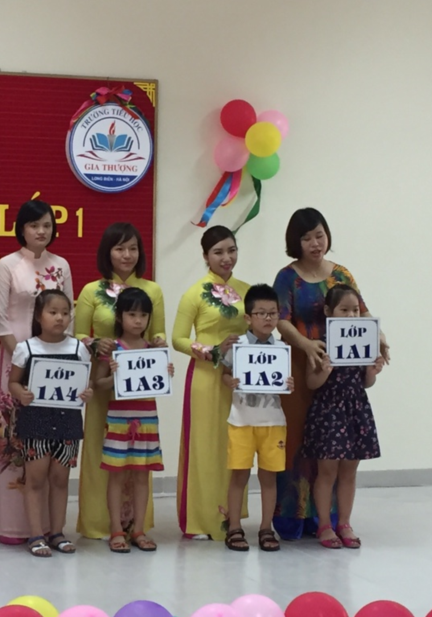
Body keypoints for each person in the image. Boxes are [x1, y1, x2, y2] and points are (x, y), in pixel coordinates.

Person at [271, 208, 389, 540]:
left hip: (342, 374)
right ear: (295, 242)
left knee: (337, 449)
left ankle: (330, 519)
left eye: (319, 235)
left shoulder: (342, 274)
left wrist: (380, 338)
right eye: (307, 238)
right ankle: (294, 516)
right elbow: (281, 319)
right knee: (298, 442)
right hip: (302, 367)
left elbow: (363, 313)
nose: (315, 243)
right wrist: (306, 345)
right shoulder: (287, 277)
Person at [0, 200, 73, 545]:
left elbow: (69, 318)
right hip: (17, 360)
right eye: (34, 225)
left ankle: (49, 527)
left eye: (47, 225)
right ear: (21, 229)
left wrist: (56, 360)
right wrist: (26, 360)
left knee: (49, 442)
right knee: (15, 438)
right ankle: (13, 525)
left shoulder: (61, 265)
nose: (41, 231)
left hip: (55, 365)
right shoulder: (7, 265)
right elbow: (1, 322)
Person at [74, 223, 166, 542]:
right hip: (106, 382)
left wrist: (158, 346)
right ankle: (102, 524)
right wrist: (94, 343)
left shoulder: (152, 290)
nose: (127, 255)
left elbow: (159, 332)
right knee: (102, 455)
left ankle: (136, 527)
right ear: (107, 252)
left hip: (140, 390)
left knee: (140, 463)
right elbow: (78, 334)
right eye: (119, 248)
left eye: (133, 248)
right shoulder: (91, 290)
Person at [172, 225, 250, 541]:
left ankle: (232, 518)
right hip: (206, 378)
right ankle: (200, 520)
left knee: (236, 446)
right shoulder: (195, 293)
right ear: (205, 256)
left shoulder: (247, 291)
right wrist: (212, 351)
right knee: (204, 446)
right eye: (218, 252)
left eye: (231, 250)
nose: (226, 257)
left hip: (240, 380)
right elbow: (178, 338)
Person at [7, 289, 92, 557]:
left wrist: (87, 393)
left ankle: (57, 532)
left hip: (68, 423)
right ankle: (36, 534)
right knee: (35, 480)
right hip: (36, 422)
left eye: (65, 313)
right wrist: (20, 393)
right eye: (53, 312)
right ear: (38, 316)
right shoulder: (26, 348)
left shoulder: (78, 349)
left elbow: (85, 382)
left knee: (60, 479)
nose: (59, 318)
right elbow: (13, 382)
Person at [92, 287, 173, 553]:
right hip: (118, 420)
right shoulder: (112, 348)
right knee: (115, 476)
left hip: (147, 419)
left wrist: (166, 371)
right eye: (132, 314)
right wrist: (113, 376)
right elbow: (98, 384)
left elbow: (159, 383)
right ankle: (116, 529)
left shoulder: (153, 349)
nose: (138, 321)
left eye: (143, 315)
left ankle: (138, 529)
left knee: (142, 476)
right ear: (120, 317)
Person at [304, 284, 384, 548]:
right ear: (329, 312)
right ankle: (325, 525)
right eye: (344, 310)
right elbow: (311, 382)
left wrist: (372, 372)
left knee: (350, 470)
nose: (351, 316)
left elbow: (366, 383)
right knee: (327, 471)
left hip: (355, 409)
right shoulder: (320, 344)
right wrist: (324, 371)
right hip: (328, 411)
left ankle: (345, 523)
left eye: (355, 311)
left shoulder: (364, 341)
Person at [220, 284, 292, 553]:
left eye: (273, 313)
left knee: (269, 478)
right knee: (239, 475)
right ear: (248, 318)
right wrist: (229, 381)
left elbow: (284, 383)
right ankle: (234, 527)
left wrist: (289, 384)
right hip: (241, 421)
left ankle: (265, 527)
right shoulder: (237, 345)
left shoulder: (281, 347)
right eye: (261, 313)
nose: (268, 318)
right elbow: (224, 374)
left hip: (273, 422)